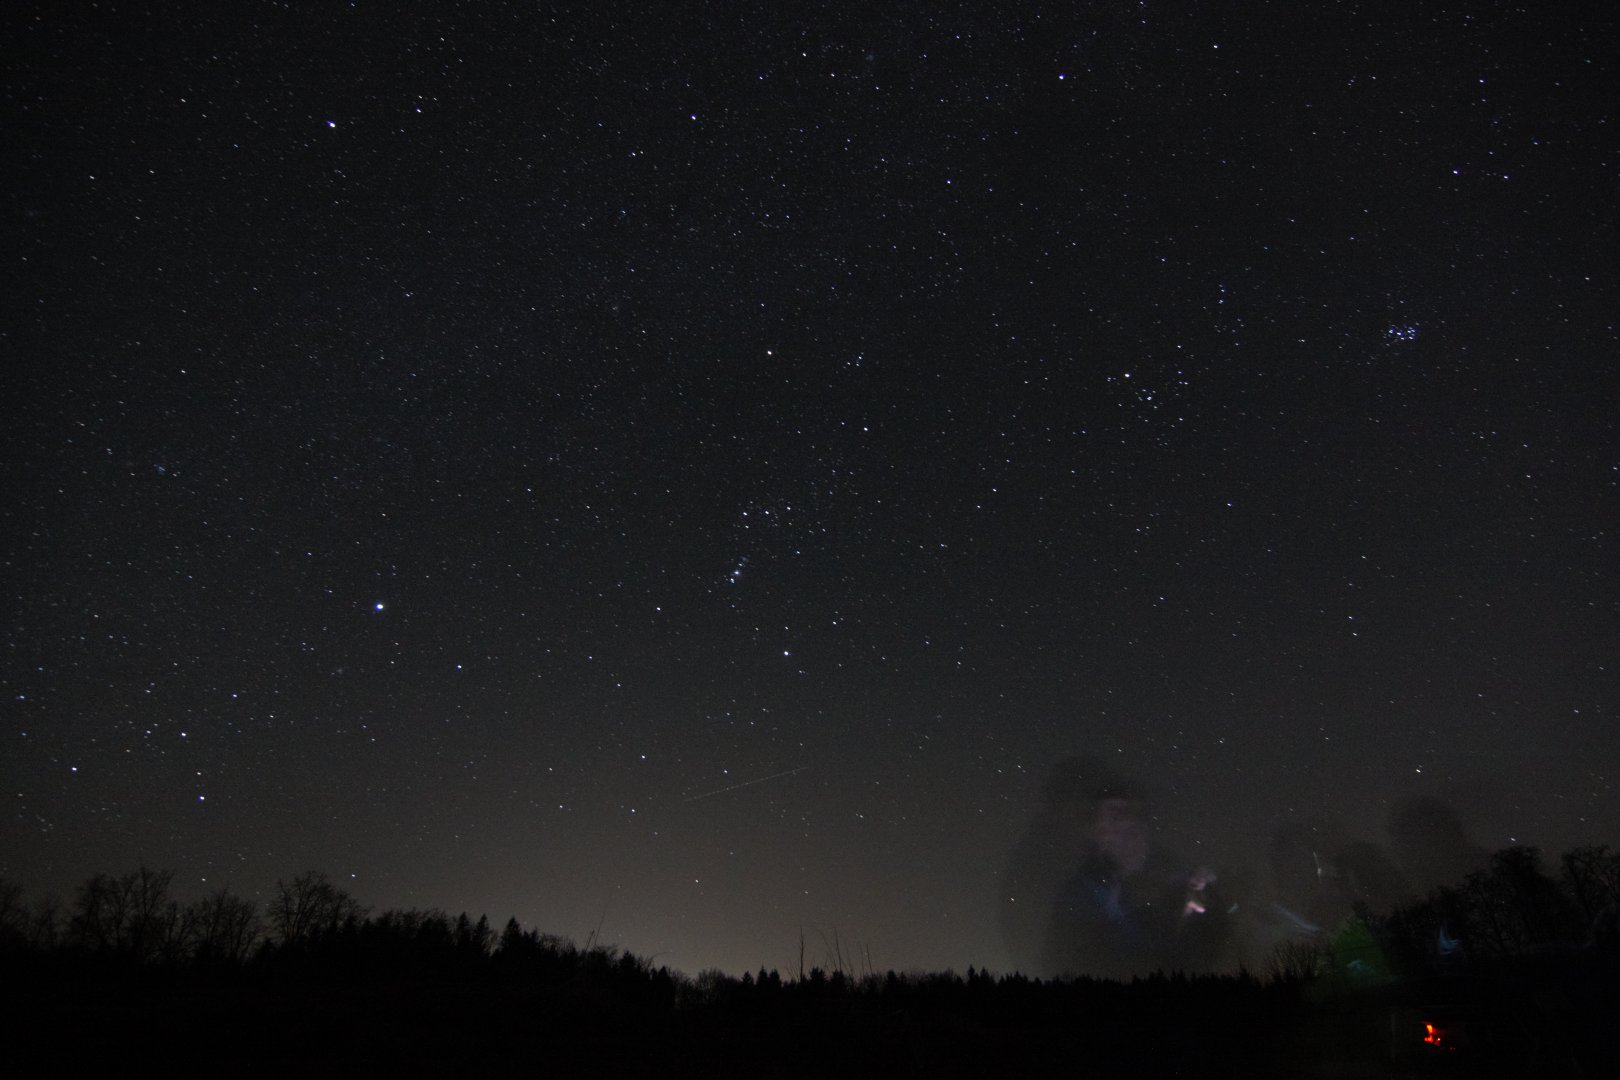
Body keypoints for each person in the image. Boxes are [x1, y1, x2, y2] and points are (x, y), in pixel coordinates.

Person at [1035, 758, 1226, 979]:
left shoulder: (1171, 876)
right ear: (1094, 830)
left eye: (1135, 818)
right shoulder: (1079, 895)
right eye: (1115, 817)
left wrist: (1205, 909)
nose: (1127, 827)